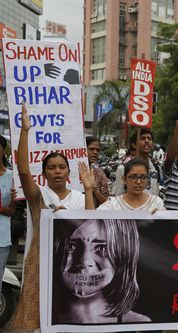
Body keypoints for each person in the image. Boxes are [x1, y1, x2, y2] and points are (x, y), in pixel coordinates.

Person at [11, 104, 95, 331]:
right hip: (41, 263)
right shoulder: (39, 196)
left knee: (68, 317)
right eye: (51, 168)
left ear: (69, 173)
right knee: (39, 318)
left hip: (73, 267)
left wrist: (88, 190)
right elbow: (23, 171)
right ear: (44, 173)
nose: (57, 171)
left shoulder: (79, 197)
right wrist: (25, 131)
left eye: (61, 167)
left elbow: (91, 224)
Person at [52, 218, 150, 324]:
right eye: (70, 246)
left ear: (123, 256)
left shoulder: (137, 323)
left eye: (102, 248)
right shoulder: (42, 319)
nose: (85, 262)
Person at [99, 159, 164, 212]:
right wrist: (89, 190)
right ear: (124, 179)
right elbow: (93, 221)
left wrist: (159, 218)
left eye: (143, 177)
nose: (138, 181)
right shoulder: (113, 205)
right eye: (133, 177)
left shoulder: (156, 203)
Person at [112, 128, 161, 196]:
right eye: (142, 138)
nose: (146, 141)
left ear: (152, 145)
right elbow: (119, 197)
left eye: (149, 139)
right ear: (134, 145)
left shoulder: (156, 168)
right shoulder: (123, 169)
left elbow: (156, 194)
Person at [0, 135, 16, 302]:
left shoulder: (12, 177)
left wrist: (11, 201)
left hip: (1, 238)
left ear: (3, 150)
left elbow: (12, 211)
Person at [86, 136, 110, 207]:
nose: (95, 152)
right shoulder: (69, 173)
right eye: (92, 149)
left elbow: (106, 203)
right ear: (83, 149)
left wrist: (94, 190)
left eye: (97, 150)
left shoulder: (99, 174)